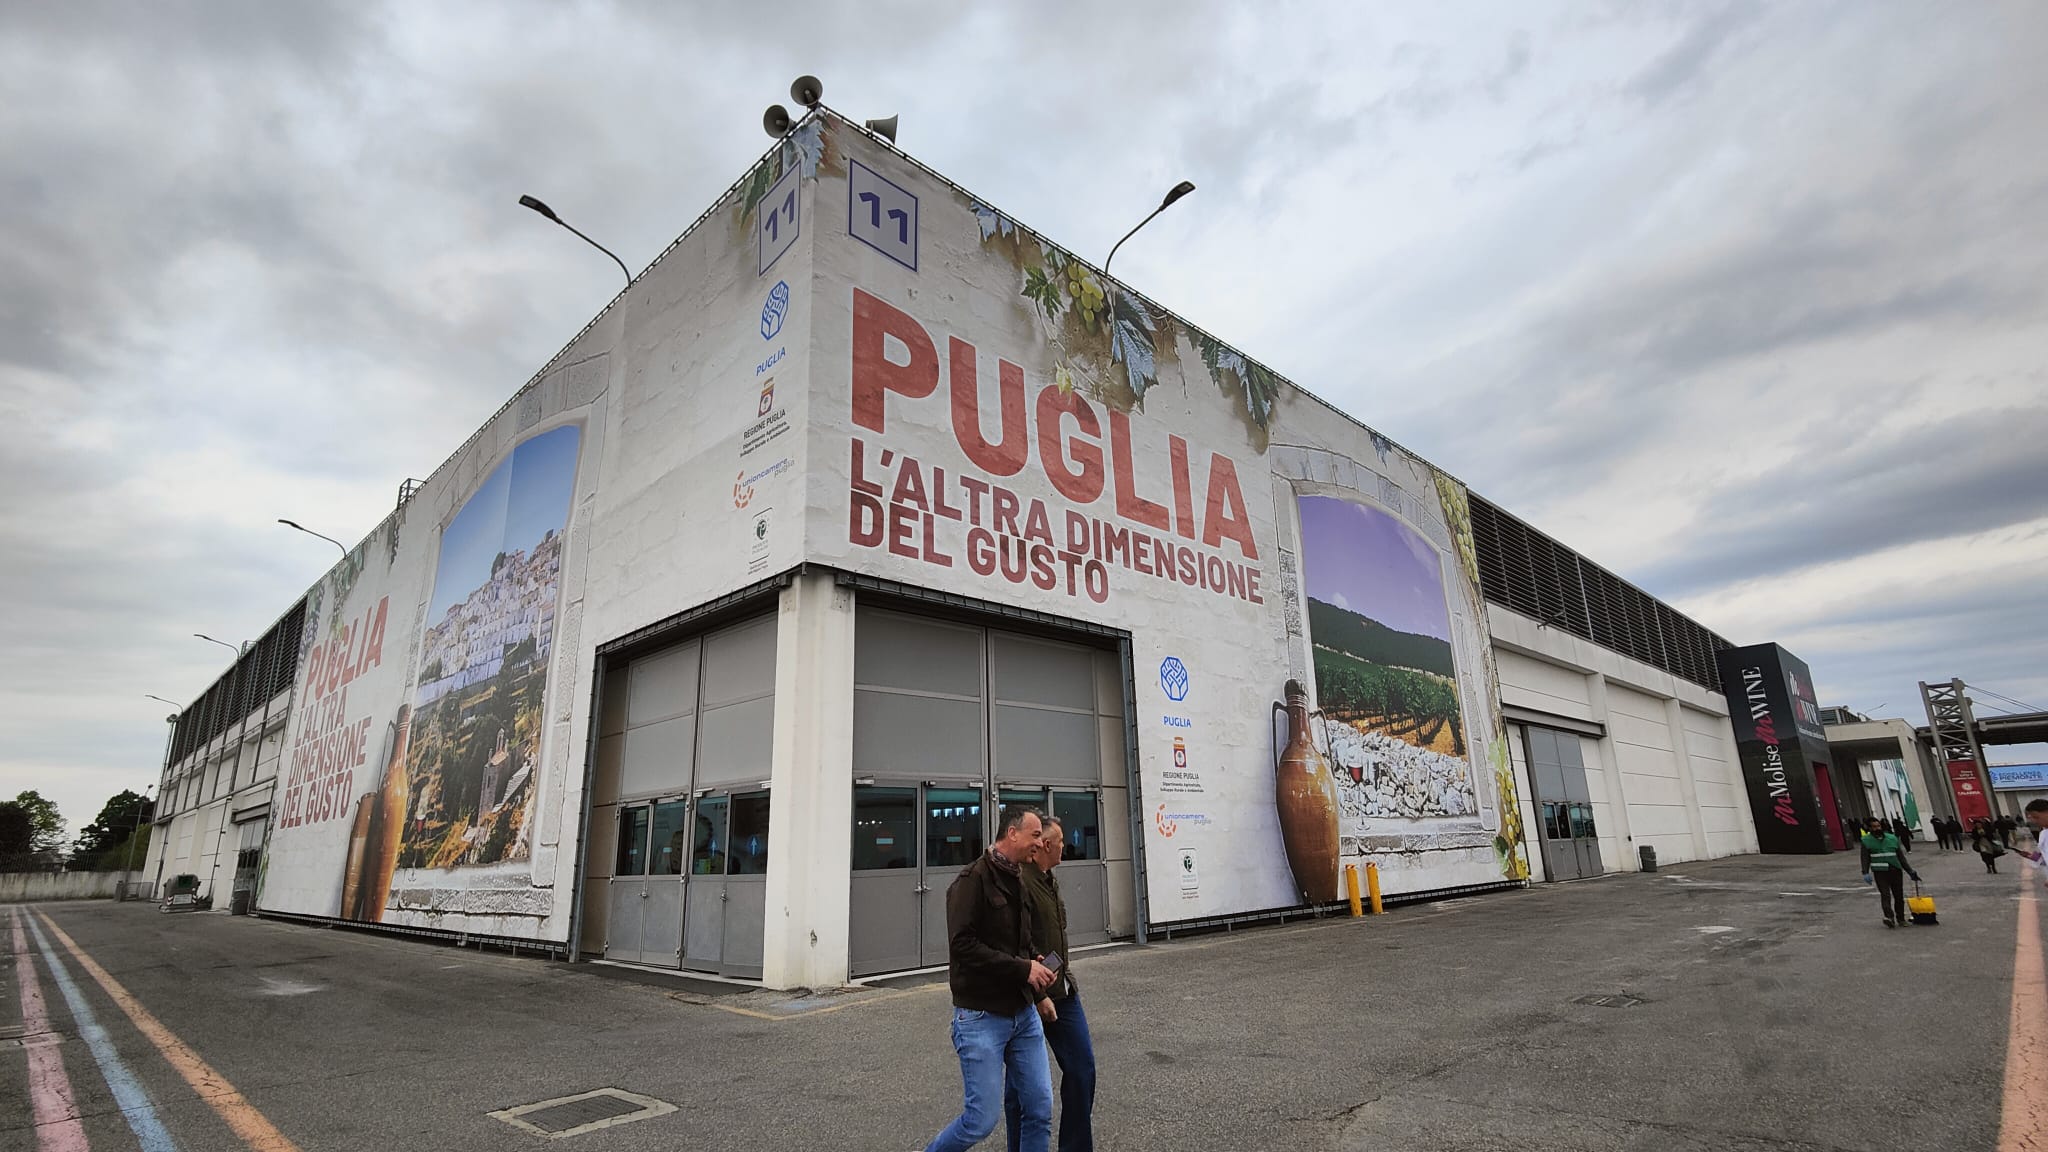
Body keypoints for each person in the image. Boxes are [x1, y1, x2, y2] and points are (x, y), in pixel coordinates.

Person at [921, 807, 1057, 1152]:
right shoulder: (971, 881)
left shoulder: (1019, 879)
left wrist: (1036, 971)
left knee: (1040, 1110)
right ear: (1012, 833)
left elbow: (1022, 942)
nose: (1040, 843)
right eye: (1035, 835)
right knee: (979, 1121)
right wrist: (1023, 969)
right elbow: (962, 946)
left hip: (1023, 1014)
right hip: (981, 1017)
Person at [1004, 816, 1097, 1152]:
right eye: (1060, 843)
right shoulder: (1022, 883)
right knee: (1020, 1087)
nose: (1064, 849)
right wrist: (1039, 993)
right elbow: (1016, 944)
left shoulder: (1048, 879)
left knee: (1082, 1070)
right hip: (1029, 997)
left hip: (1062, 991)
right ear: (1045, 844)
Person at [1861, 817, 1922, 928]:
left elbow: (1901, 858)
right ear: (1869, 828)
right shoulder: (1866, 841)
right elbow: (1865, 858)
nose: (1877, 828)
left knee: (1898, 896)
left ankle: (1901, 919)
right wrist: (1865, 872)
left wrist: (1910, 871)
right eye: (1874, 827)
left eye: (1878, 826)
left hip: (1895, 870)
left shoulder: (1892, 838)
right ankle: (1889, 917)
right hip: (1880, 872)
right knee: (1885, 895)